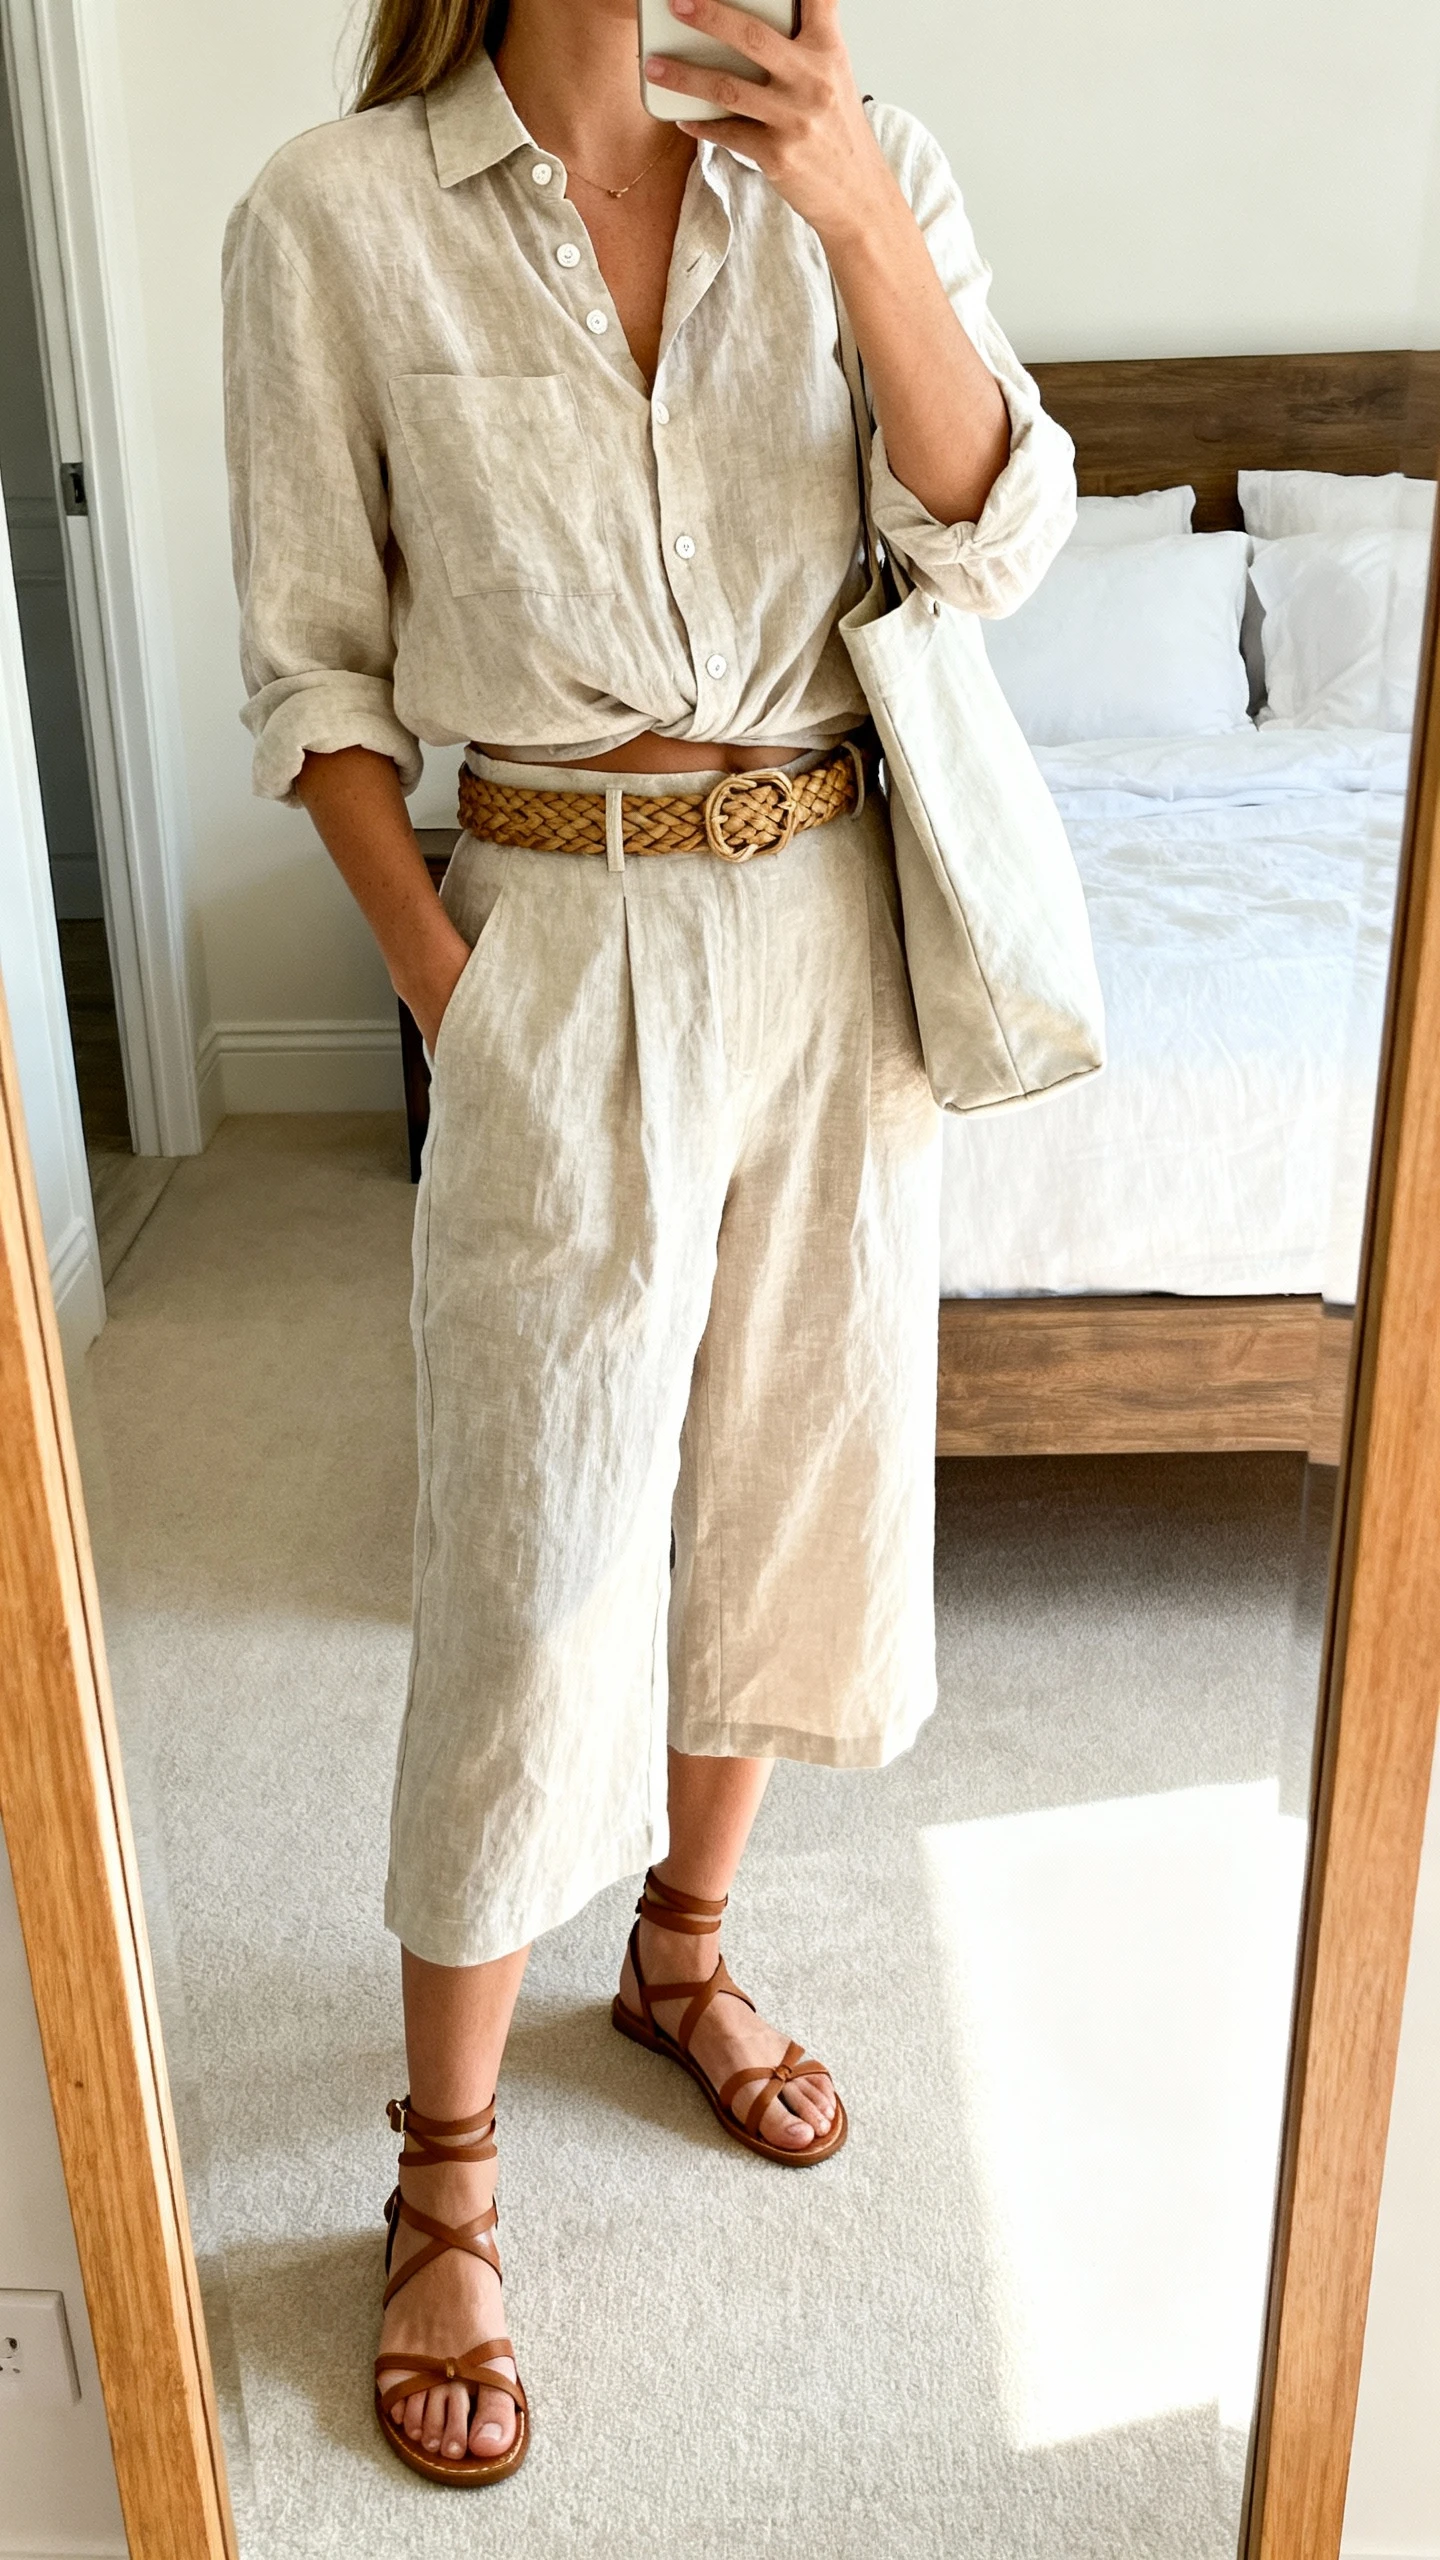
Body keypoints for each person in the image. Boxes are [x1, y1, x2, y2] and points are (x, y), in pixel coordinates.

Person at [222, 0, 1074, 2487]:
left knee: (778, 1484)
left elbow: (993, 528)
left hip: (829, 918)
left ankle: (681, 1954)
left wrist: (856, 226)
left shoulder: (864, 160)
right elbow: (313, 661)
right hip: (557, 935)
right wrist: (449, 984)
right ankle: (445, 2163)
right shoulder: (334, 213)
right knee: (530, 1544)